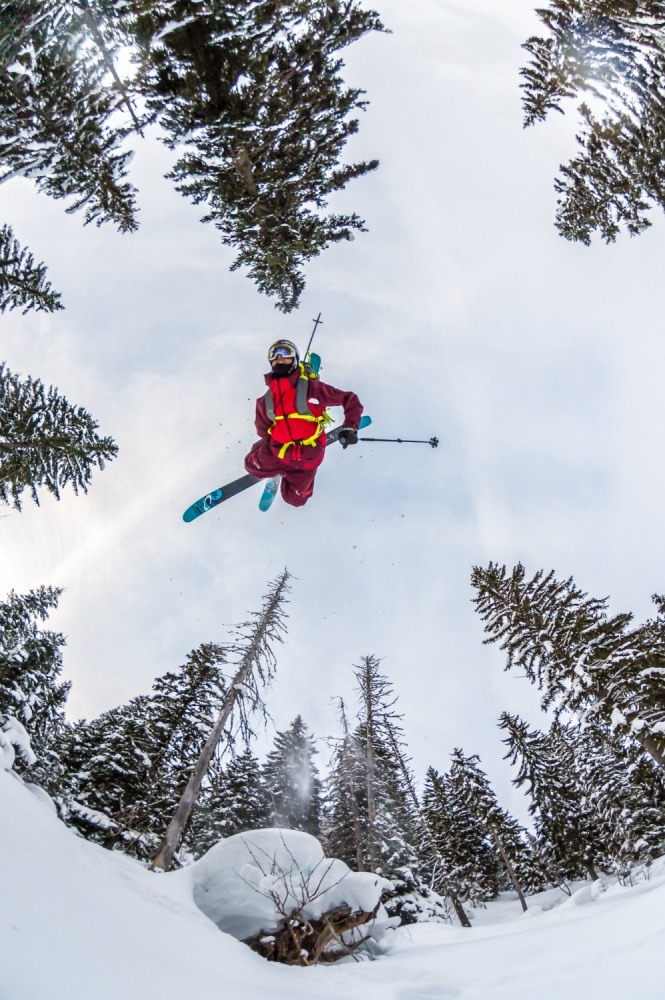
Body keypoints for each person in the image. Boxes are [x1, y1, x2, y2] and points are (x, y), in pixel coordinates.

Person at [244, 339, 363, 507]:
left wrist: (350, 426)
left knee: (296, 500)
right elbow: (263, 430)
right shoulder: (265, 401)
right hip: (278, 452)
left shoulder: (312, 389)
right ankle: (272, 468)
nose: (279, 358)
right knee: (250, 464)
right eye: (274, 355)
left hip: (307, 458)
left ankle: (283, 476)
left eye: (285, 353)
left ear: (295, 359)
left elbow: (350, 400)